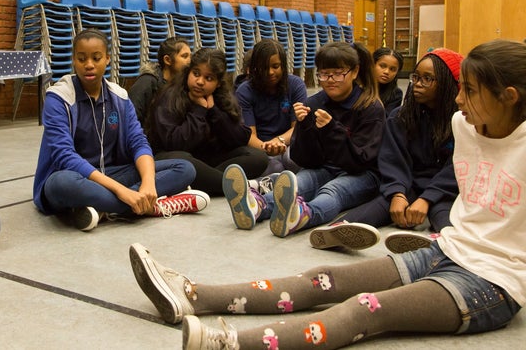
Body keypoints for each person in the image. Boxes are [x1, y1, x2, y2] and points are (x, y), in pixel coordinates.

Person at [130, 41, 525, 349]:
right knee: (325, 278)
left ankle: (230, 343)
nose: (458, 99)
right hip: (450, 249)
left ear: (508, 96)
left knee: (363, 310)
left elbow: (371, 162)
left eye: (469, 91)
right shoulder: (464, 123)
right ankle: (193, 295)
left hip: (493, 280)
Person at [32, 29, 205, 231]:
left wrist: (148, 184)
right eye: (81, 59)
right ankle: (149, 207)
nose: (89, 64)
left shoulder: (120, 97)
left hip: (113, 173)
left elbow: (138, 142)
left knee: (184, 168)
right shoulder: (58, 98)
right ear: (74, 60)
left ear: (107, 59)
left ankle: (104, 207)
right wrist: (122, 191)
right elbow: (64, 156)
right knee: (61, 183)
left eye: (96, 58)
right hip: (75, 177)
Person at [310, 48, 463, 252]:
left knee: (442, 211)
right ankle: (336, 231)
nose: (417, 84)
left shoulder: (462, 121)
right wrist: (398, 193)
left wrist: (427, 198)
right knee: (379, 207)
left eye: (427, 79)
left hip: (443, 191)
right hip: (407, 183)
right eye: (416, 77)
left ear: (446, 84)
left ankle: (445, 241)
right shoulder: (401, 116)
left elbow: (457, 167)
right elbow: (392, 158)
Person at [223, 42, 384, 235]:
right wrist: (305, 127)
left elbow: (361, 161)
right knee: (300, 183)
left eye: (338, 74)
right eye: (324, 74)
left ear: (355, 72)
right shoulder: (315, 103)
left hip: (363, 174)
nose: (330, 80)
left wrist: (333, 129)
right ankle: (257, 206)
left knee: (332, 191)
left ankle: (300, 215)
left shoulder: (370, 107)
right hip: (325, 168)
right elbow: (306, 160)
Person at [146, 47, 268, 196]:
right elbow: (174, 143)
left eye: (208, 78)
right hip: (173, 159)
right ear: (188, 72)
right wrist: (199, 111)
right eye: (196, 74)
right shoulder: (170, 96)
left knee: (258, 157)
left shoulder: (221, 98)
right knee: (184, 162)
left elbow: (240, 138)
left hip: (207, 161)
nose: (200, 82)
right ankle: (244, 187)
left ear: (217, 83)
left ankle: (206, 182)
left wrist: (214, 111)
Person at [236, 38, 308, 174]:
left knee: (291, 160)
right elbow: (249, 136)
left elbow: (297, 128)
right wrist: (268, 147)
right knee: (275, 167)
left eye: (275, 66)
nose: (270, 72)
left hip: (288, 143)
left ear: (283, 66)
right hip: (260, 148)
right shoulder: (244, 91)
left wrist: (278, 141)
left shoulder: (296, 85)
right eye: (264, 67)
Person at [128, 37, 191, 125]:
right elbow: (130, 118)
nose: (190, 61)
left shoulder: (185, 84)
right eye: (184, 56)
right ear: (167, 60)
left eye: (190, 56)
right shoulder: (147, 82)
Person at [373, 47, 404, 114]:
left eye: (392, 69)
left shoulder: (396, 94)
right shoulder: (360, 86)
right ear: (373, 64)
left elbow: (385, 120)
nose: (386, 72)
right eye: (382, 66)